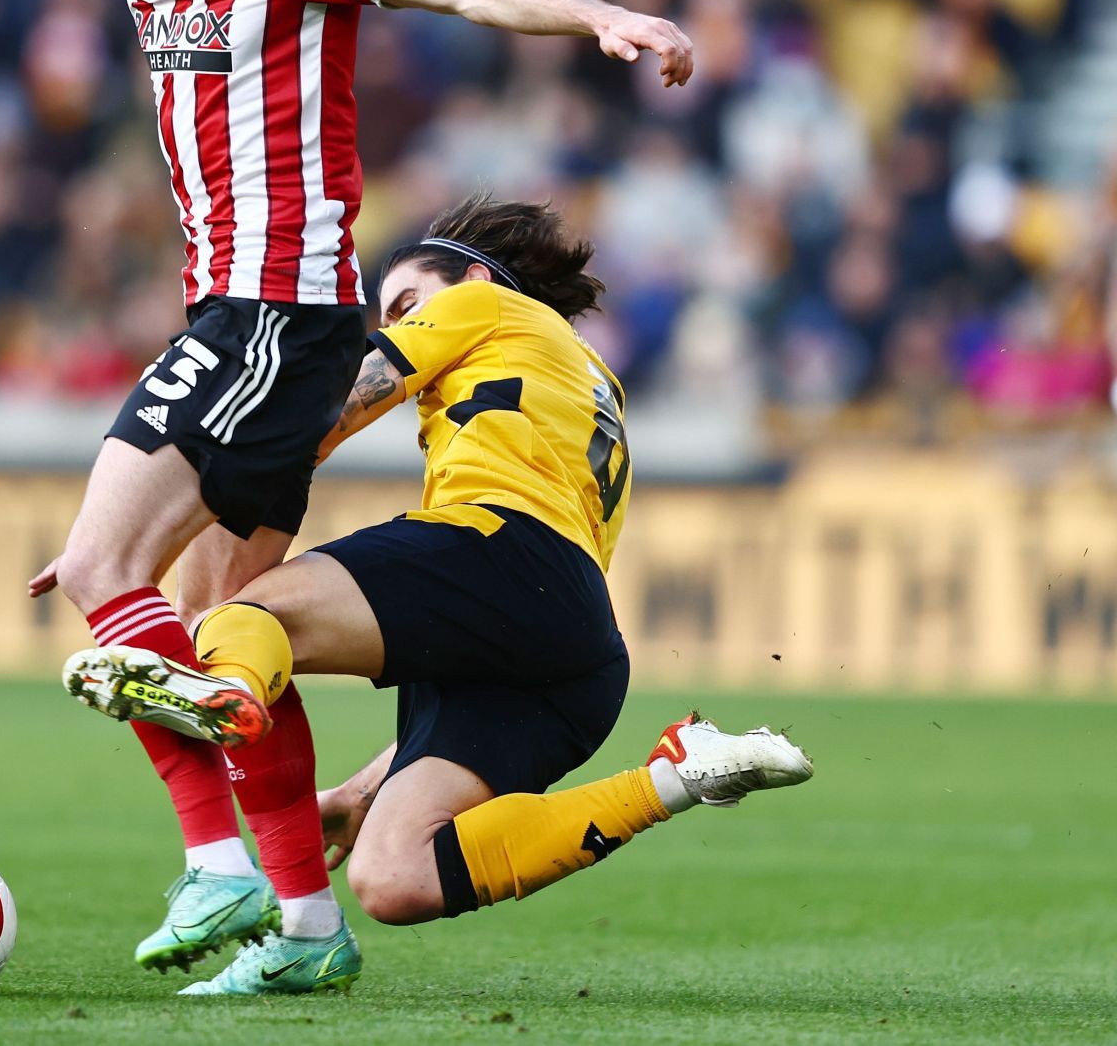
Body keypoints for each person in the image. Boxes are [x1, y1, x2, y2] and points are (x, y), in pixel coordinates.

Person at [0, 0, 694, 969]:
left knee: (108, 567)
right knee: (218, 622)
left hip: (271, 313)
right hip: (250, 323)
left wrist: (597, 18)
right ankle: (311, 926)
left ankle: (216, 871)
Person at [65, 195, 813, 994]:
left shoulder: (484, 302)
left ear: (472, 277)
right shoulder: (590, 379)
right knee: (396, 876)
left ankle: (225, 690)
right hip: (575, 652)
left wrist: (145, 517)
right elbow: (519, 616)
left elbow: (324, 413)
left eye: (407, 305)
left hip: (497, 545)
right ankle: (676, 775)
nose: (394, 325)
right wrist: (360, 789)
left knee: (243, 617)